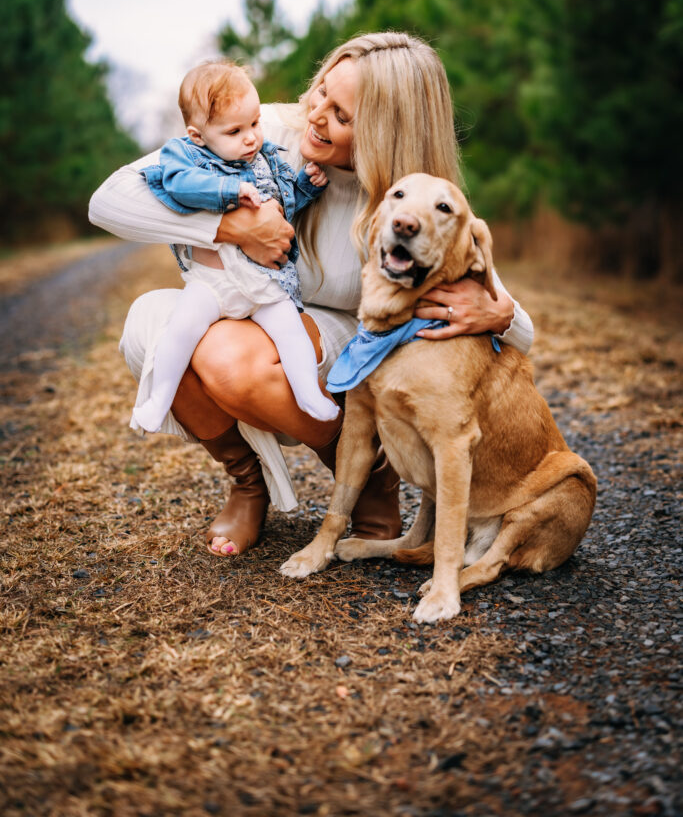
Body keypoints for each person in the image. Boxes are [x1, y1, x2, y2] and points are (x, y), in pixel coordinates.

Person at [89, 32, 534, 560]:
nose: (316, 114)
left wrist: (497, 313)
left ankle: (370, 475)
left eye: (341, 115)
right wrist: (232, 226)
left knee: (231, 361)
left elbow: (522, 327)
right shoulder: (264, 126)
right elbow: (109, 200)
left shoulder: (412, 194)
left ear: (386, 133)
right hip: (242, 299)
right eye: (320, 91)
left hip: (337, 340)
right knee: (153, 323)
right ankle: (247, 484)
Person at [132, 59, 339, 433]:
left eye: (255, 123)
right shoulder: (185, 156)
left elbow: (283, 204)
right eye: (234, 131)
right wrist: (228, 190)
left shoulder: (266, 159)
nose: (250, 138)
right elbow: (178, 185)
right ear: (198, 135)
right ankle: (158, 398)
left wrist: (305, 187)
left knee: (290, 328)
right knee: (181, 329)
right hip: (213, 282)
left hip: (262, 280)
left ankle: (308, 392)